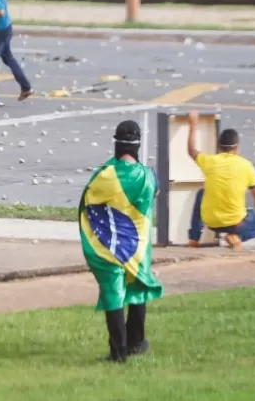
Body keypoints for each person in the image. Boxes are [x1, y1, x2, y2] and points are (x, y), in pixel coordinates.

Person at [78, 120, 163, 363]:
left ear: (116, 143)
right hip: (137, 245)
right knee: (138, 285)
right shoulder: (148, 177)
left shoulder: (104, 175)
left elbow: (89, 200)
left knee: (113, 292)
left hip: (109, 245)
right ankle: (137, 341)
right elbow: (155, 193)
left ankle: (119, 351)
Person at [185, 111, 255, 249]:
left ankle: (194, 238)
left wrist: (193, 124)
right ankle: (237, 237)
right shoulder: (246, 165)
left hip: (211, 223)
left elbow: (191, 150)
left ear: (219, 146)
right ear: (237, 147)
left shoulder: (209, 161)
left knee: (202, 193)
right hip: (235, 223)